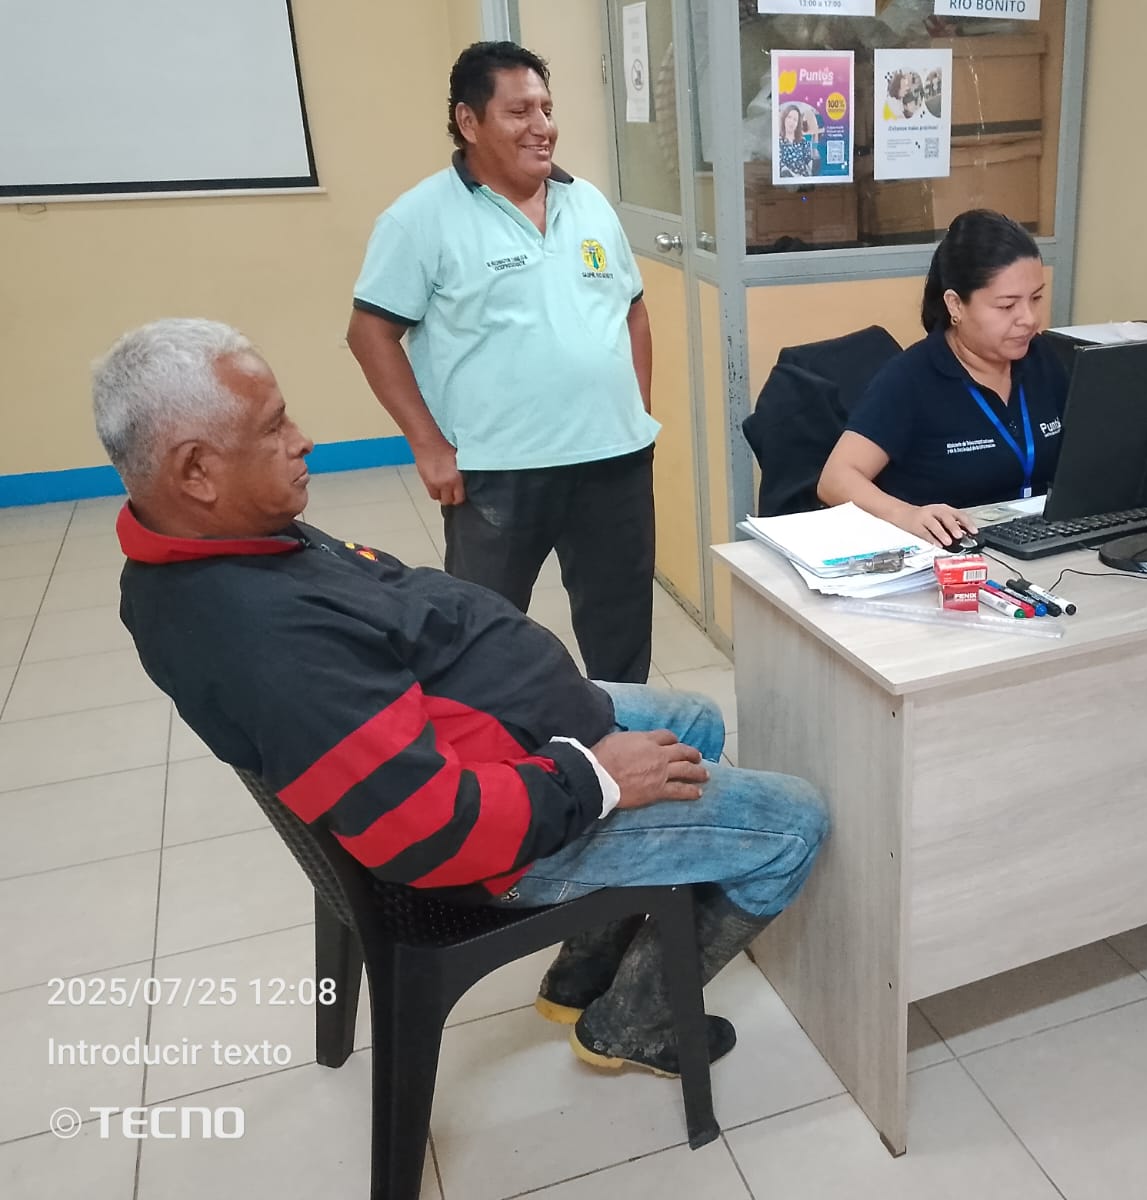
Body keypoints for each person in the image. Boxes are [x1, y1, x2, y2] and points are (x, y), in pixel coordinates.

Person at [93, 318, 828, 1076]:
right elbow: (430, 826)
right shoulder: (265, 636)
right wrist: (600, 778)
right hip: (499, 833)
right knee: (797, 823)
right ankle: (632, 1023)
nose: (302, 440)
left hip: (497, 734)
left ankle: (581, 974)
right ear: (196, 471)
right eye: (274, 427)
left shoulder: (225, 545)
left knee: (695, 721)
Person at [347, 42, 659, 685]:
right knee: (479, 637)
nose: (542, 126)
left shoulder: (588, 203)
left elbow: (633, 311)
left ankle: (624, 732)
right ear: (469, 121)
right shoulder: (419, 218)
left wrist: (637, 409)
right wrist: (428, 444)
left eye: (546, 108)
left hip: (614, 460)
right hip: (497, 470)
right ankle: (493, 742)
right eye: (519, 112)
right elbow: (370, 333)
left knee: (621, 632)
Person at [817, 210, 1068, 546]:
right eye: (1007, 306)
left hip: (1038, 544)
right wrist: (906, 515)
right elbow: (835, 479)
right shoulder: (911, 378)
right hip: (947, 555)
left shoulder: (1042, 360)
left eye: (1036, 298)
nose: (1029, 318)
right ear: (956, 305)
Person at [776, 104, 817, 179]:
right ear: (784, 119)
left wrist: (812, 173)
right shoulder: (778, 142)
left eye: (795, 120)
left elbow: (808, 160)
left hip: (805, 179)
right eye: (789, 117)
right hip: (789, 180)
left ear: (797, 124)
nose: (791, 122)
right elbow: (781, 166)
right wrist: (796, 177)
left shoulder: (802, 141)